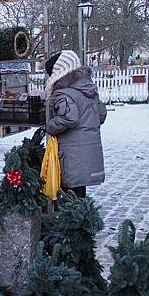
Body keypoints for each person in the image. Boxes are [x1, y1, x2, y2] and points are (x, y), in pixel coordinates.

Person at [45, 50, 107, 198]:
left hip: (72, 154)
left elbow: (69, 118)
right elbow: (101, 114)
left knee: (69, 194)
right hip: (89, 150)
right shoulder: (88, 88)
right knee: (79, 192)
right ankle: (82, 211)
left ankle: (69, 213)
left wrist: (50, 125)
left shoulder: (63, 93)